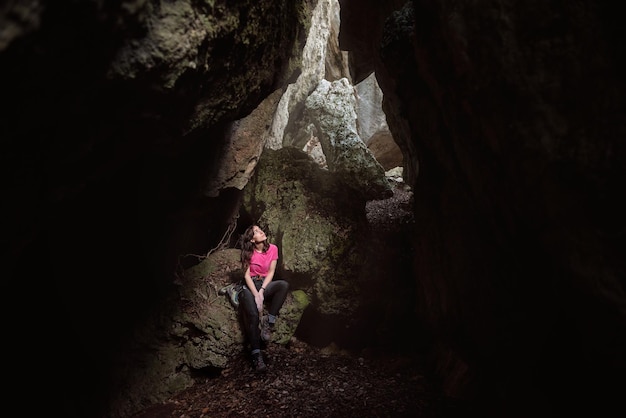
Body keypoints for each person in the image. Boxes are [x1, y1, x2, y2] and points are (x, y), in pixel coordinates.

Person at [239, 224, 289, 373]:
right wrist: (256, 294)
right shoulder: (247, 252)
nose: (261, 232)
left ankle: (269, 320)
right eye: (256, 231)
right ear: (252, 240)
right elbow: (247, 276)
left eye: (260, 230)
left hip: (263, 283)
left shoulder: (273, 248)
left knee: (283, 285)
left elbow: (271, 272)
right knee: (253, 316)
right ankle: (256, 355)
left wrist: (262, 291)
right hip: (249, 286)